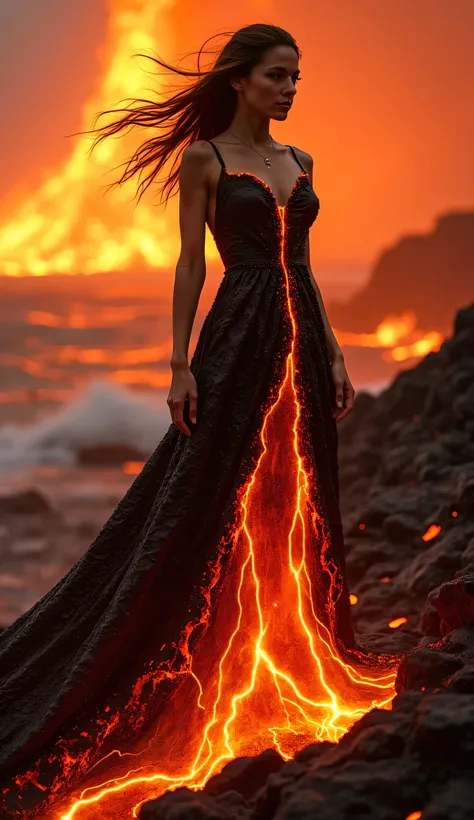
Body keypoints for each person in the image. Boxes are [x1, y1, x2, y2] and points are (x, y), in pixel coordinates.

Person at [0, 23, 398, 819]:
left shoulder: (302, 163)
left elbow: (307, 271)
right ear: (241, 81)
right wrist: (178, 364)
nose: (290, 88)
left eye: (297, 76)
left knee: (302, 490)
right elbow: (192, 262)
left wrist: (339, 355)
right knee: (208, 490)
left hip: (299, 343)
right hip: (238, 332)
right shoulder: (205, 159)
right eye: (278, 75)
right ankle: (188, 657)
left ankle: (299, 645)